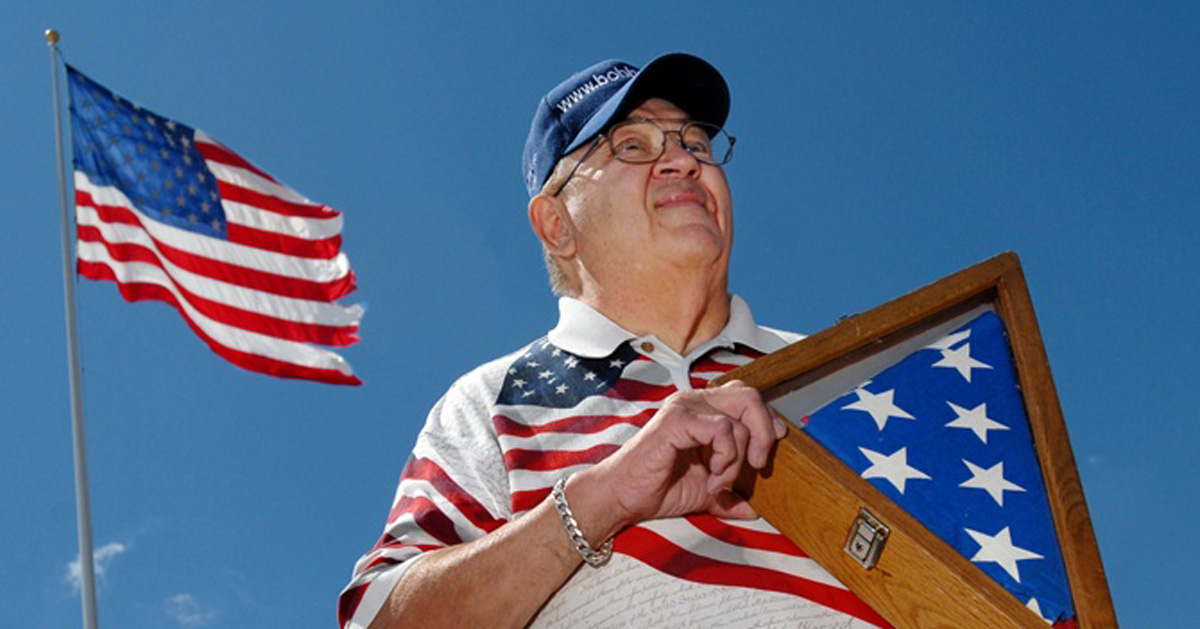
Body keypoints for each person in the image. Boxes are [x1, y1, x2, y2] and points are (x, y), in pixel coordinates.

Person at [339, 53, 885, 628]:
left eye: (696, 144)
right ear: (557, 224)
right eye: (631, 145)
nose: (682, 160)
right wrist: (603, 498)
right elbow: (379, 620)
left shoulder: (844, 375)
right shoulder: (495, 399)